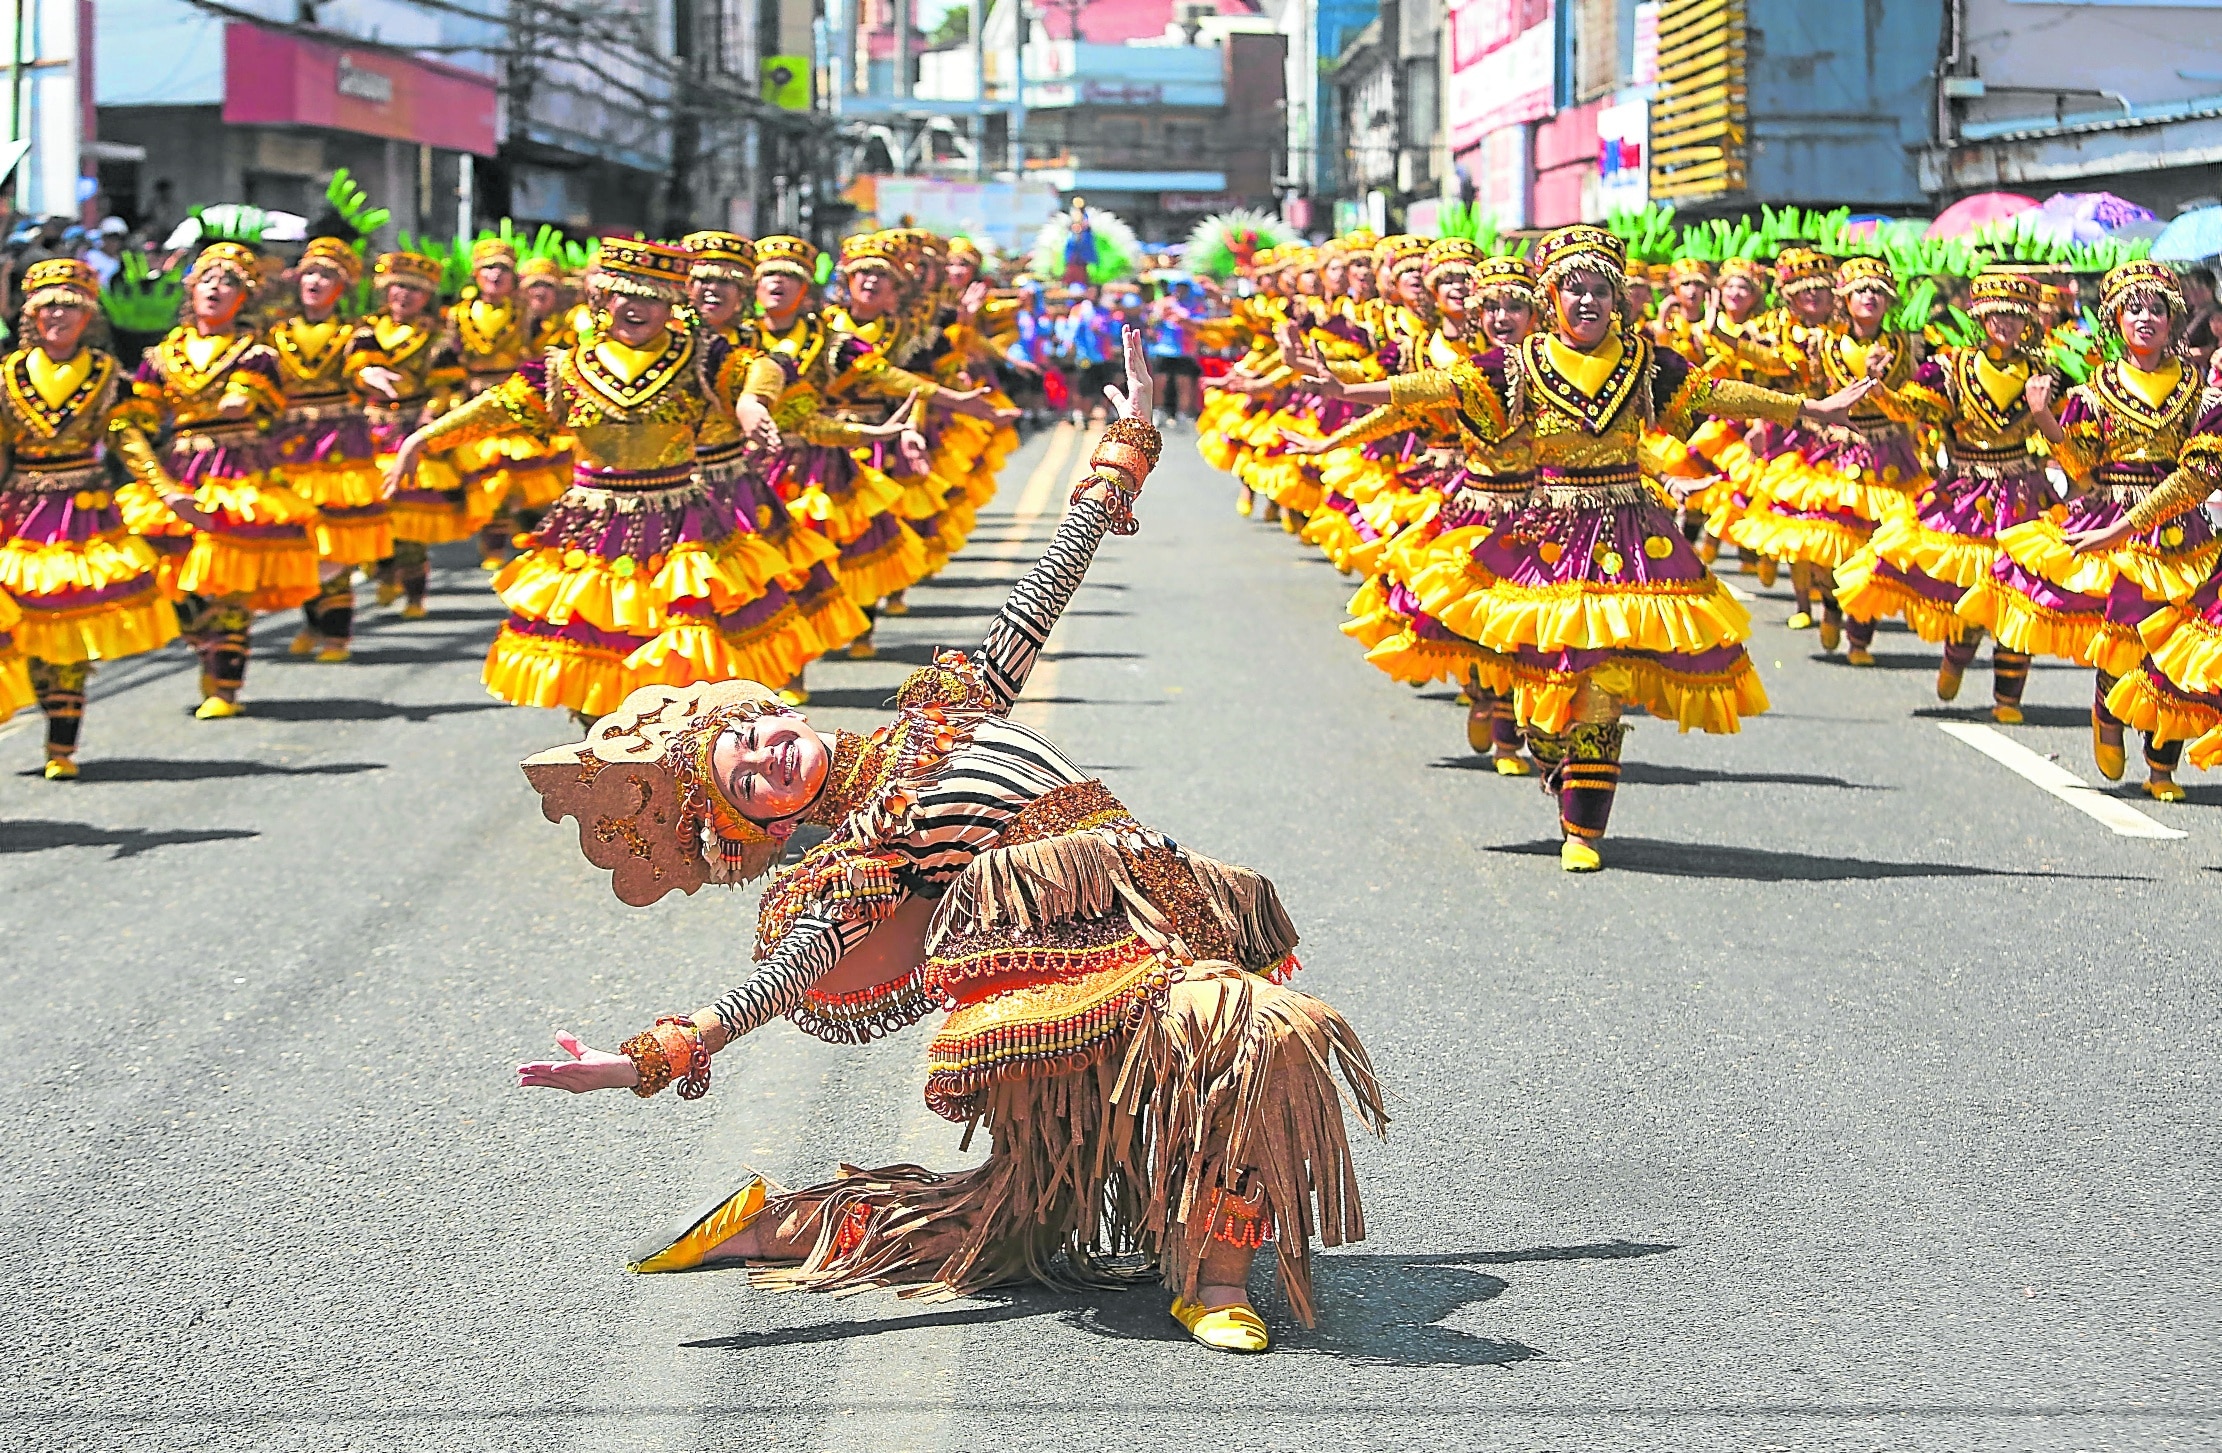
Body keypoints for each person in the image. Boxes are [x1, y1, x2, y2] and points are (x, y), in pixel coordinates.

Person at [515, 328, 1385, 1354]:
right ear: (767, 824)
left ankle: (1213, 1274)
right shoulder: (865, 855)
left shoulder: (947, 707)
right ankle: (779, 1223)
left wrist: (1126, 443)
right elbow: (786, 979)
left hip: (1158, 897)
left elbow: (1043, 588)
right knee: (1028, 1214)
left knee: (1248, 1040)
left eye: (754, 736)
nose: (768, 757)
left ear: (775, 706)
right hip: (1058, 979)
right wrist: (651, 1056)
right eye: (746, 781)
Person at [1283, 225, 1873, 871]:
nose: (1588, 302)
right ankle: (1544, 750)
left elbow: (1715, 393)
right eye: (1575, 289)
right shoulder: (1518, 362)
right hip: (1547, 535)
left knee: (1601, 682)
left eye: (1600, 291)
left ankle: (1583, 832)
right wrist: (1344, 391)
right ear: (1551, 295)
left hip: (1630, 533)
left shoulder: (1645, 360)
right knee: (1543, 683)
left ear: (1617, 299)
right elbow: (1436, 388)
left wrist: (1811, 409)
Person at [2018, 261, 2222, 796]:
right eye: (2134, 308)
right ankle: (2107, 710)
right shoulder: (2094, 391)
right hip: (2111, 515)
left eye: (2157, 308)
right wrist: (2044, 418)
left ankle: (2162, 765)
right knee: (2127, 638)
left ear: (2175, 320)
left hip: (2181, 533)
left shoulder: (2200, 392)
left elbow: (2200, 474)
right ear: (2114, 319)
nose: (2146, 318)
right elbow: (2080, 463)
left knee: (2176, 646)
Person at [1836, 269, 2059, 719]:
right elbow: (1911, 410)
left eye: (2014, 316)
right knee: (1968, 589)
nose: (2005, 324)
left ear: (2029, 322)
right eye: (1995, 315)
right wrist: (1879, 388)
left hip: (2023, 495)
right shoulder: (1950, 367)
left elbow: (2067, 438)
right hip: (1964, 490)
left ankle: (2007, 698)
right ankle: (1955, 658)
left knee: (2019, 595)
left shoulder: (2045, 373)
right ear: (1979, 318)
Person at [112, 240, 319, 718]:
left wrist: (242, 401)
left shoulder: (256, 353)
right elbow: (139, 416)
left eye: (229, 283)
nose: (217, 289)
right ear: (191, 287)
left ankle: (224, 688)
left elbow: (260, 400)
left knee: (227, 579)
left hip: (238, 468)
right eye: (209, 278)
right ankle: (205, 646)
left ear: (244, 298)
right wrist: (135, 435)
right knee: (169, 577)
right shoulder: (162, 354)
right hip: (179, 466)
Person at [0, 259, 180, 774]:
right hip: (21, 509)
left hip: (84, 509)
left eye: (70, 307)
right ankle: (48, 709)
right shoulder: (6, 375)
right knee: (23, 622)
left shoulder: (109, 376)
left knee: (70, 625)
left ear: (88, 317)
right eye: (49, 306)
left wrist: (166, 491)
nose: (59, 315)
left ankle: (62, 746)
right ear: (31, 315)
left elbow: (128, 442)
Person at [266, 237, 383, 662]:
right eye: (310, 273)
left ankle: (337, 634)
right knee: (300, 536)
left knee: (336, 535)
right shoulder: (275, 332)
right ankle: (312, 621)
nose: (315, 282)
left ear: (343, 287)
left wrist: (372, 378)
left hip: (338, 440)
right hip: (287, 441)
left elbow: (363, 364)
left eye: (327, 276)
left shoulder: (356, 332)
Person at [353, 252, 467, 620]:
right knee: (372, 511)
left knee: (407, 517)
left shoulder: (436, 339)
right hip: (367, 429)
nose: (405, 296)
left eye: (415, 291)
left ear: (427, 297)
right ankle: (384, 571)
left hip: (411, 428)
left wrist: (432, 414)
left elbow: (445, 386)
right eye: (399, 287)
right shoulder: (365, 331)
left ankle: (416, 593)